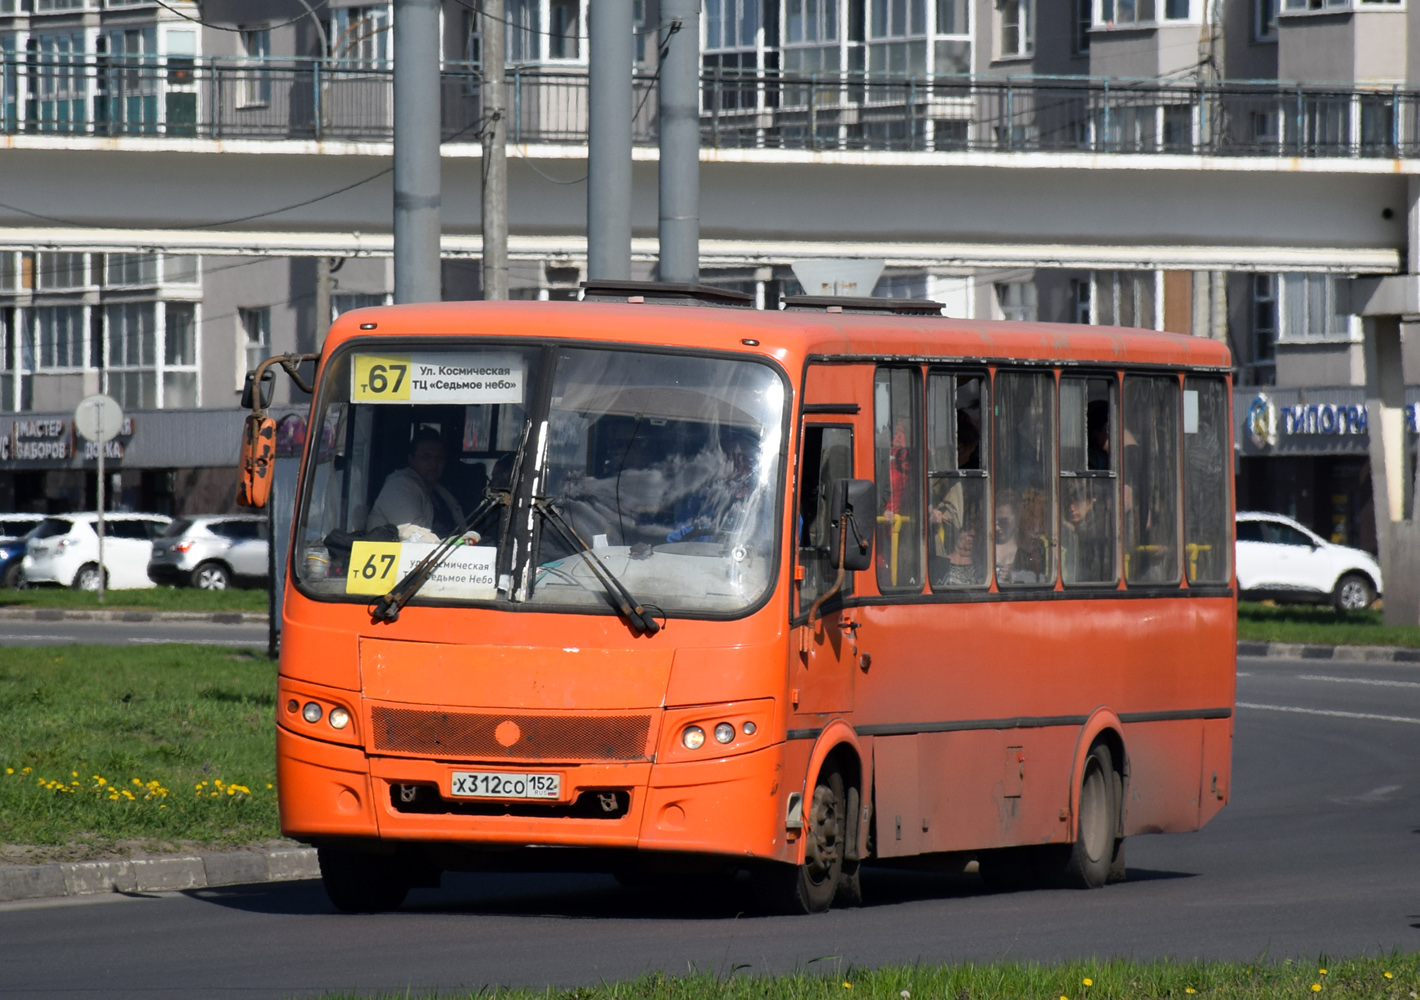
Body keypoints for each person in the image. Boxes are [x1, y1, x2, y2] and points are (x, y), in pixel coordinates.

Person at [368, 428, 467, 541]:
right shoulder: (398, 486)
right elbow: (413, 533)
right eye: (426, 457)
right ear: (411, 459)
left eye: (439, 458)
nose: (434, 463)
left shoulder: (441, 492)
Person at [667, 431, 759, 543]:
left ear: (751, 462)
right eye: (727, 456)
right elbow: (675, 542)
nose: (733, 463)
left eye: (741, 457)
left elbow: (767, 548)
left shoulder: (762, 501)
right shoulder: (700, 500)